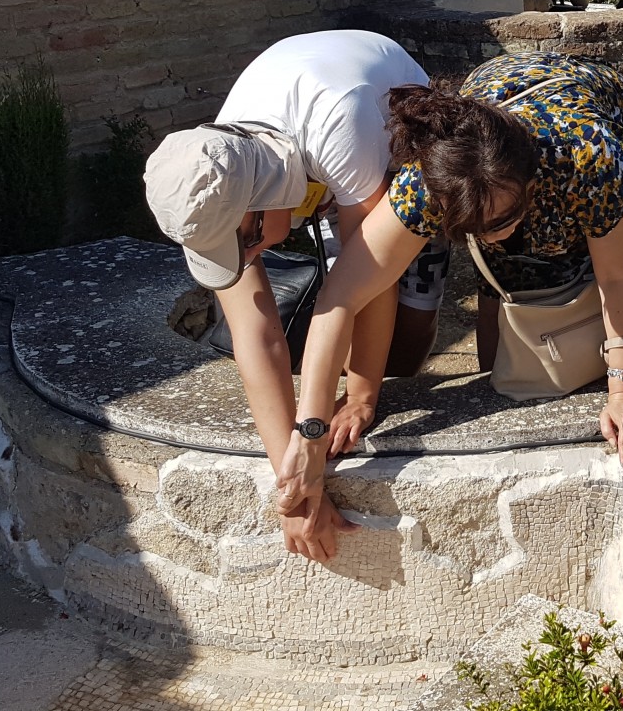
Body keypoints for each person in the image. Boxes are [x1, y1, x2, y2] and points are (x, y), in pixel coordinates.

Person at [279, 52, 623, 550]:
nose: (493, 234)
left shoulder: (591, 159)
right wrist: (324, 424)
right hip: (489, 119)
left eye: (503, 218)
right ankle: (500, 359)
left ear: (529, 185)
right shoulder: (425, 184)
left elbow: (617, 278)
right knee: (499, 276)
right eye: (474, 229)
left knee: (564, 270)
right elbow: (341, 297)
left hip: (598, 113)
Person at [144, 30, 448, 563]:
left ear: (260, 200)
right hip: (315, 144)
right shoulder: (211, 173)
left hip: (384, 127)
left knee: (407, 326)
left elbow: (368, 284)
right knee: (336, 324)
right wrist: (294, 482)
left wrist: (361, 398)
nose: (245, 255)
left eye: (244, 240)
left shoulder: (344, 133)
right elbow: (255, 335)